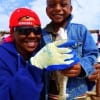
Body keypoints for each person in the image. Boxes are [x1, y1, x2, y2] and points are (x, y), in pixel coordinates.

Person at [0, 7, 76, 100]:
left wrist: (84, 70)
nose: (32, 35)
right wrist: (34, 66)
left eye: (37, 30)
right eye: (24, 30)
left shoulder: (43, 51)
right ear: (13, 33)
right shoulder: (2, 57)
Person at [42, 0, 99, 99]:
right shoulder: (41, 35)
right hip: (51, 95)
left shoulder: (81, 30)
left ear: (70, 8)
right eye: (52, 5)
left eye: (63, 4)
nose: (58, 8)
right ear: (47, 11)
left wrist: (82, 67)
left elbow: (92, 54)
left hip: (79, 96)